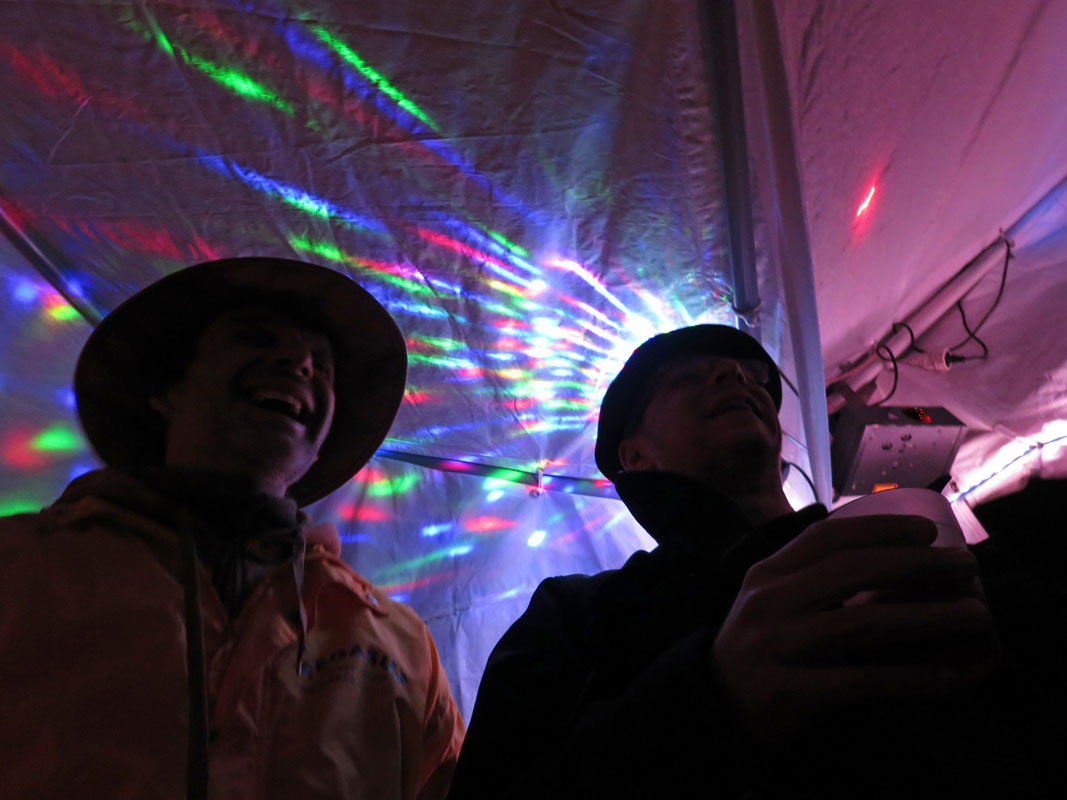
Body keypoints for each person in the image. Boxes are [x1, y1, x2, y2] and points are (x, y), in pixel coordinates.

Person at [448, 324, 1064, 798]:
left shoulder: (890, 546)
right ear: (635, 457)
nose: (733, 374)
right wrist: (712, 697)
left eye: (749, 375)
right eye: (687, 378)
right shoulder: (579, 615)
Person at [0, 257, 464, 799]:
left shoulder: (400, 645)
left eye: (322, 364)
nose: (300, 364)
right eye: (254, 338)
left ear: (322, 442)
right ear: (167, 389)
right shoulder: (20, 570)